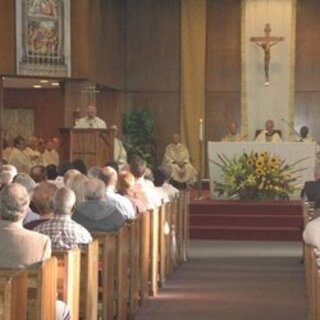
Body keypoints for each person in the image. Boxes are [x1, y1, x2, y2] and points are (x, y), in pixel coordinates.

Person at [0, 183, 70, 319]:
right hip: (28, 311)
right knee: (62, 309)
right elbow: (47, 287)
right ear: (26, 210)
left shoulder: (41, 240)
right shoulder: (41, 242)